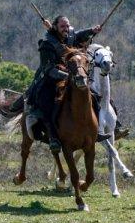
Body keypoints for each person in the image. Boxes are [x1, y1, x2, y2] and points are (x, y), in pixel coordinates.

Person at [25, 15, 101, 152]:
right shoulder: (46, 44)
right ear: (55, 27)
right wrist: (68, 76)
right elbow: (49, 69)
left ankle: (97, 129)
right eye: (62, 26)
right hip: (51, 79)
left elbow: (78, 35)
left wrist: (92, 30)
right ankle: (53, 137)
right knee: (46, 103)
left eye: (67, 26)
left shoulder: (70, 35)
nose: (66, 29)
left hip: (73, 75)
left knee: (94, 96)